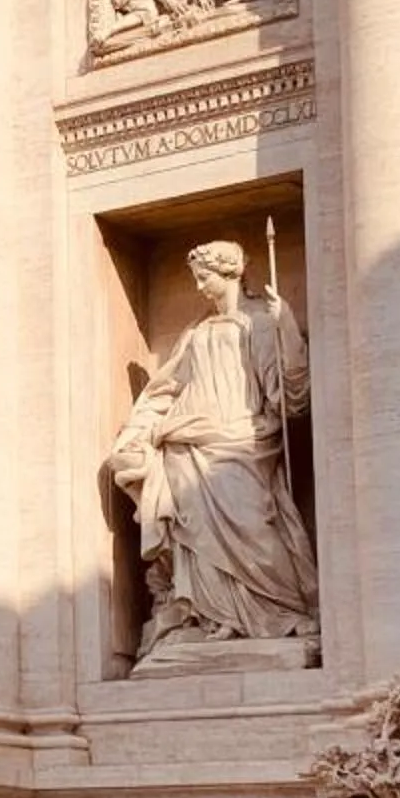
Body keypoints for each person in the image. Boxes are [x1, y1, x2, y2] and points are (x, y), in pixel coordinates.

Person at [107, 242, 318, 660]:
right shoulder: (196, 333)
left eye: (205, 277)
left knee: (255, 525)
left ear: (231, 272)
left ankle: (280, 611)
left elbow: (290, 394)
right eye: (197, 279)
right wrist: (139, 431)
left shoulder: (259, 323)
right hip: (187, 443)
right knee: (196, 534)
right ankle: (213, 617)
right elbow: (166, 389)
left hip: (242, 438)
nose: (200, 287)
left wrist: (287, 326)